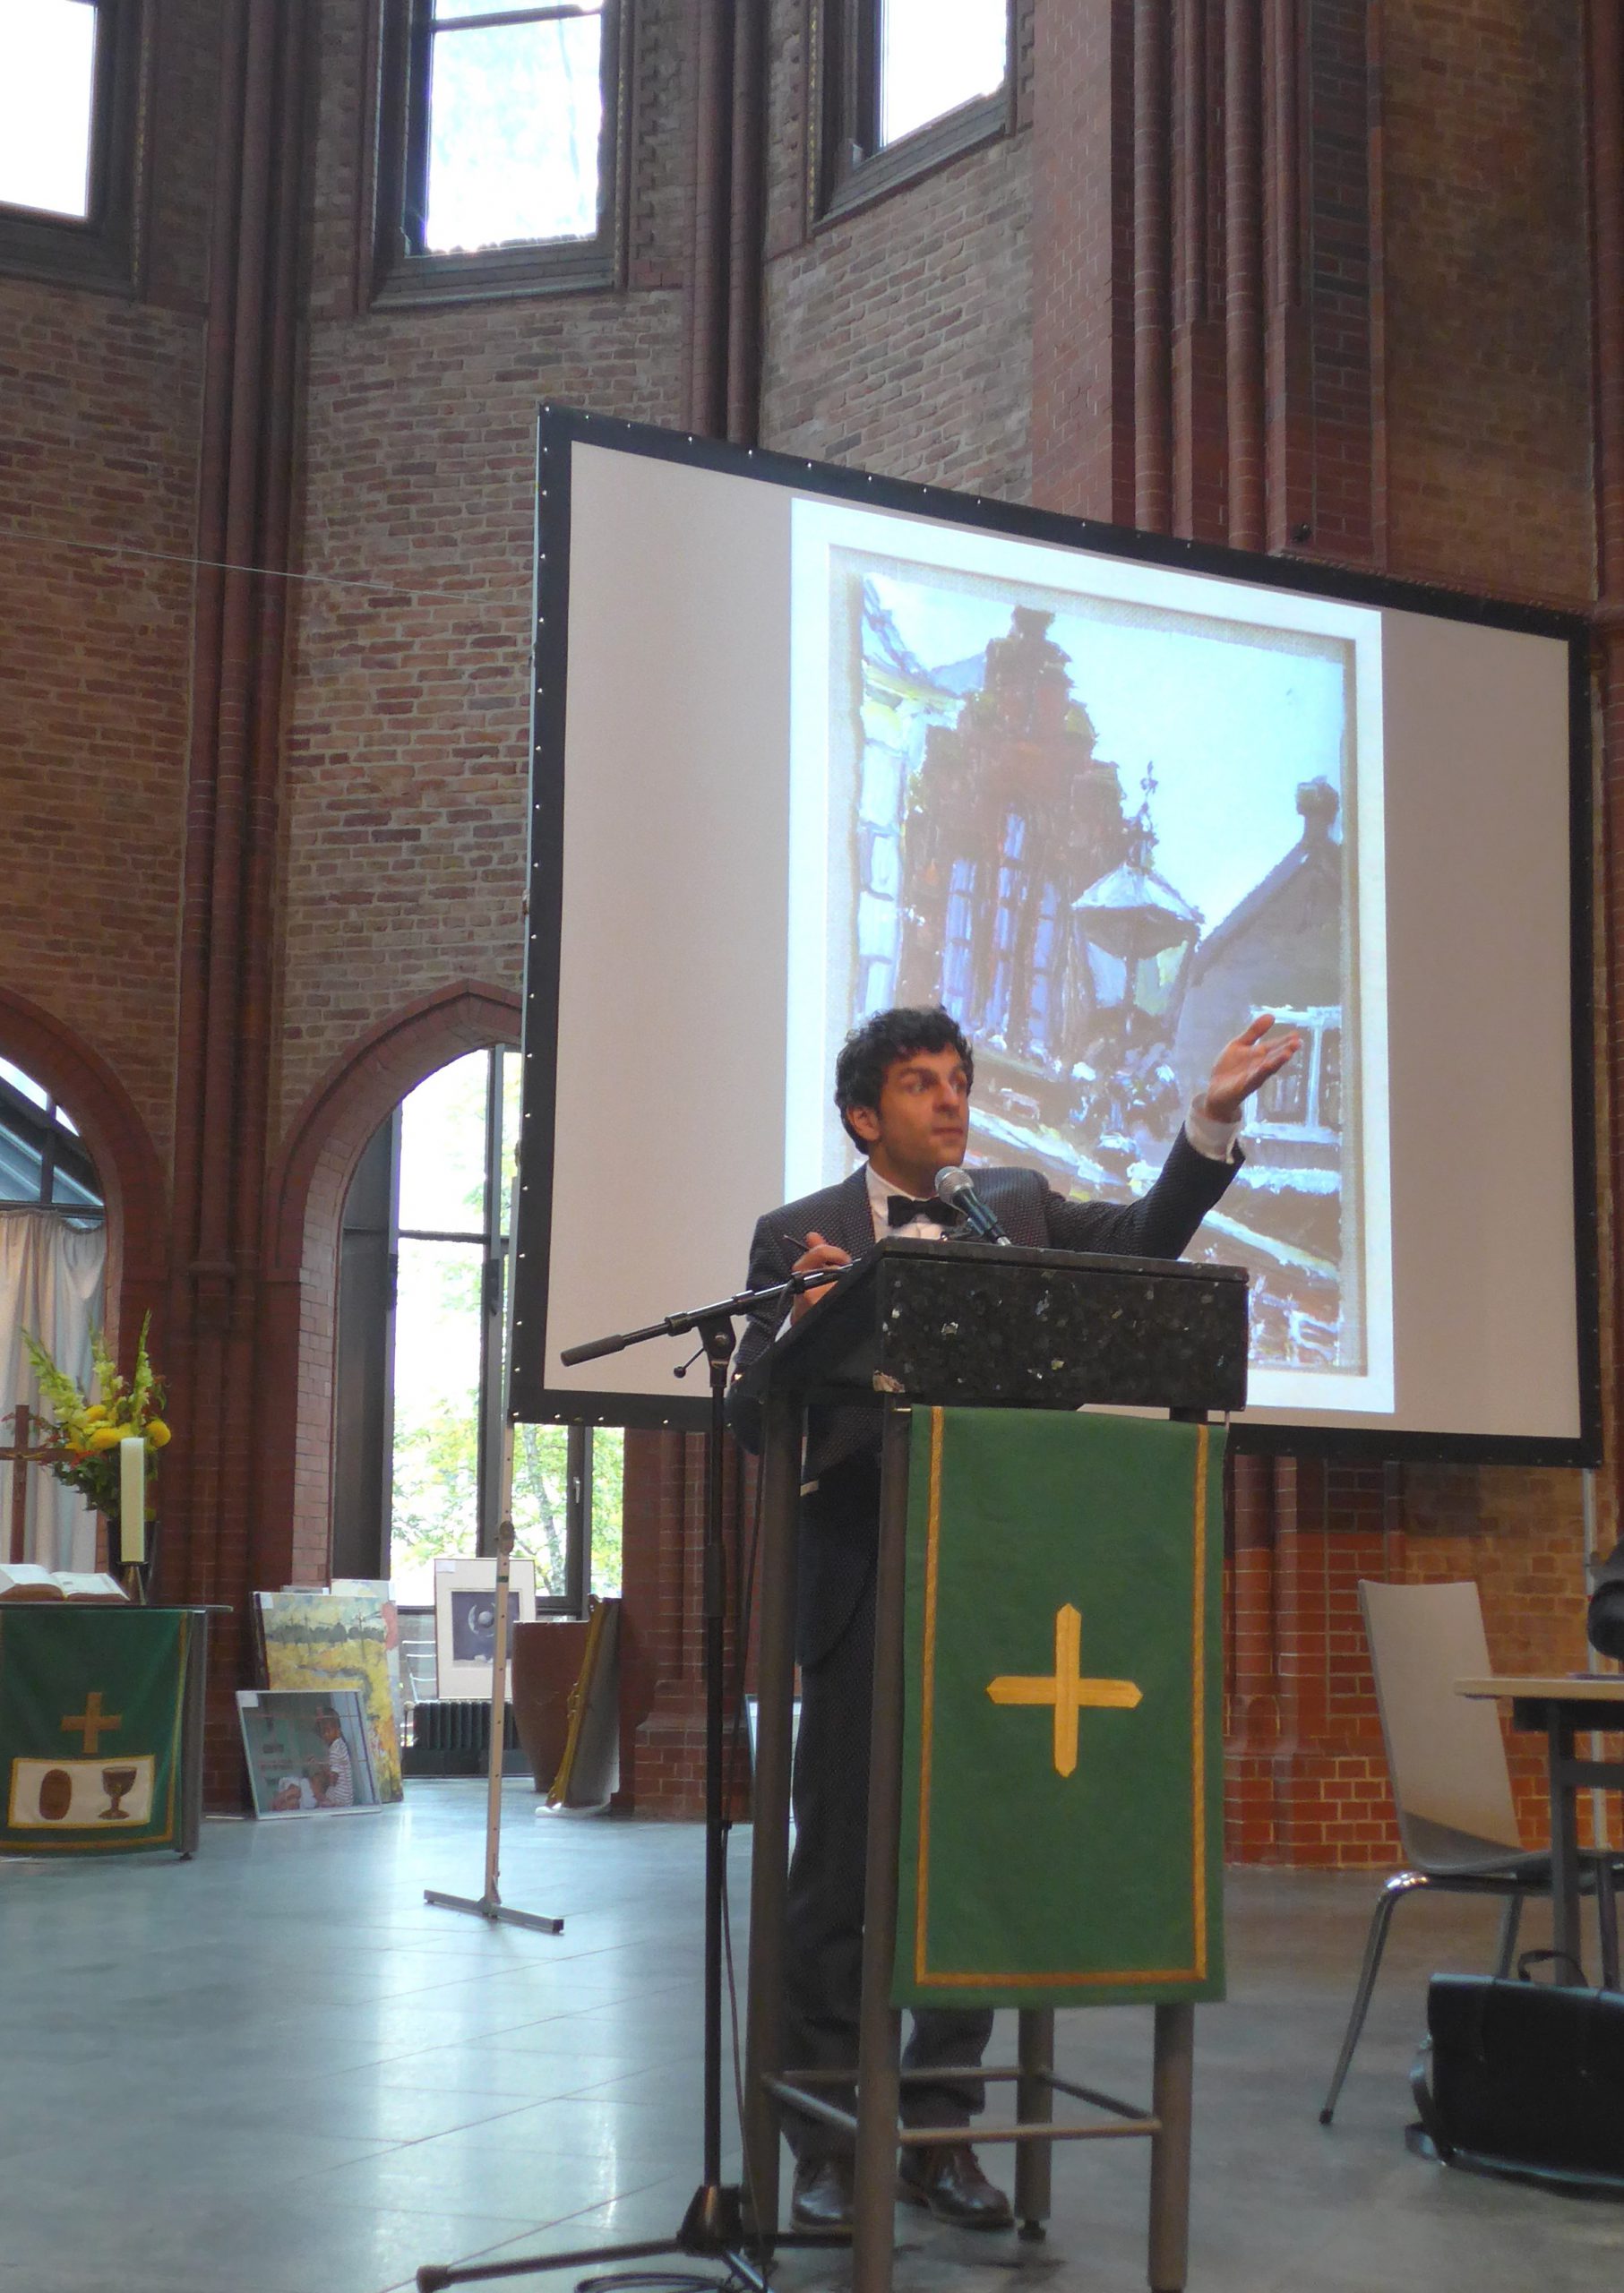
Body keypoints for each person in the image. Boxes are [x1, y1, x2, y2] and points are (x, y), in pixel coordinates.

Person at [727, 1004, 1298, 2232]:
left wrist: (1210, 1119)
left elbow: (1145, 1243)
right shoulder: (799, 1231)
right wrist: (805, 1321)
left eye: (957, 1082)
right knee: (837, 1869)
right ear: (862, 1117)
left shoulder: (1019, 1206)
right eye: (919, 1085)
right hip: (863, 1582)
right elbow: (746, 1412)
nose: (949, 1101)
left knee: (967, 1863)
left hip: (999, 1580)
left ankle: (937, 2130)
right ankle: (829, 2140)